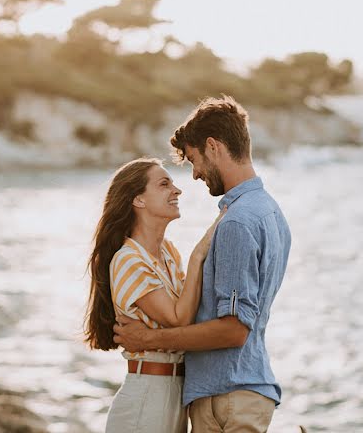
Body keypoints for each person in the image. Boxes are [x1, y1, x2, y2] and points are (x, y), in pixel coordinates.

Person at [113, 96, 292, 433]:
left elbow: (234, 329)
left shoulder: (237, 222)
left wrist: (148, 340)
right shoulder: (270, 212)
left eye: (194, 160)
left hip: (228, 395)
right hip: (232, 391)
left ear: (213, 147)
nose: (194, 175)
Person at [84, 157, 225, 433]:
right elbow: (178, 318)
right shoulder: (128, 260)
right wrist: (198, 255)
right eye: (164, 184)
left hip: (176, 395)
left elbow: (194, 311)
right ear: (138, 200)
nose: (177, 190)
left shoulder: (168, 253)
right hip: (147, 398)